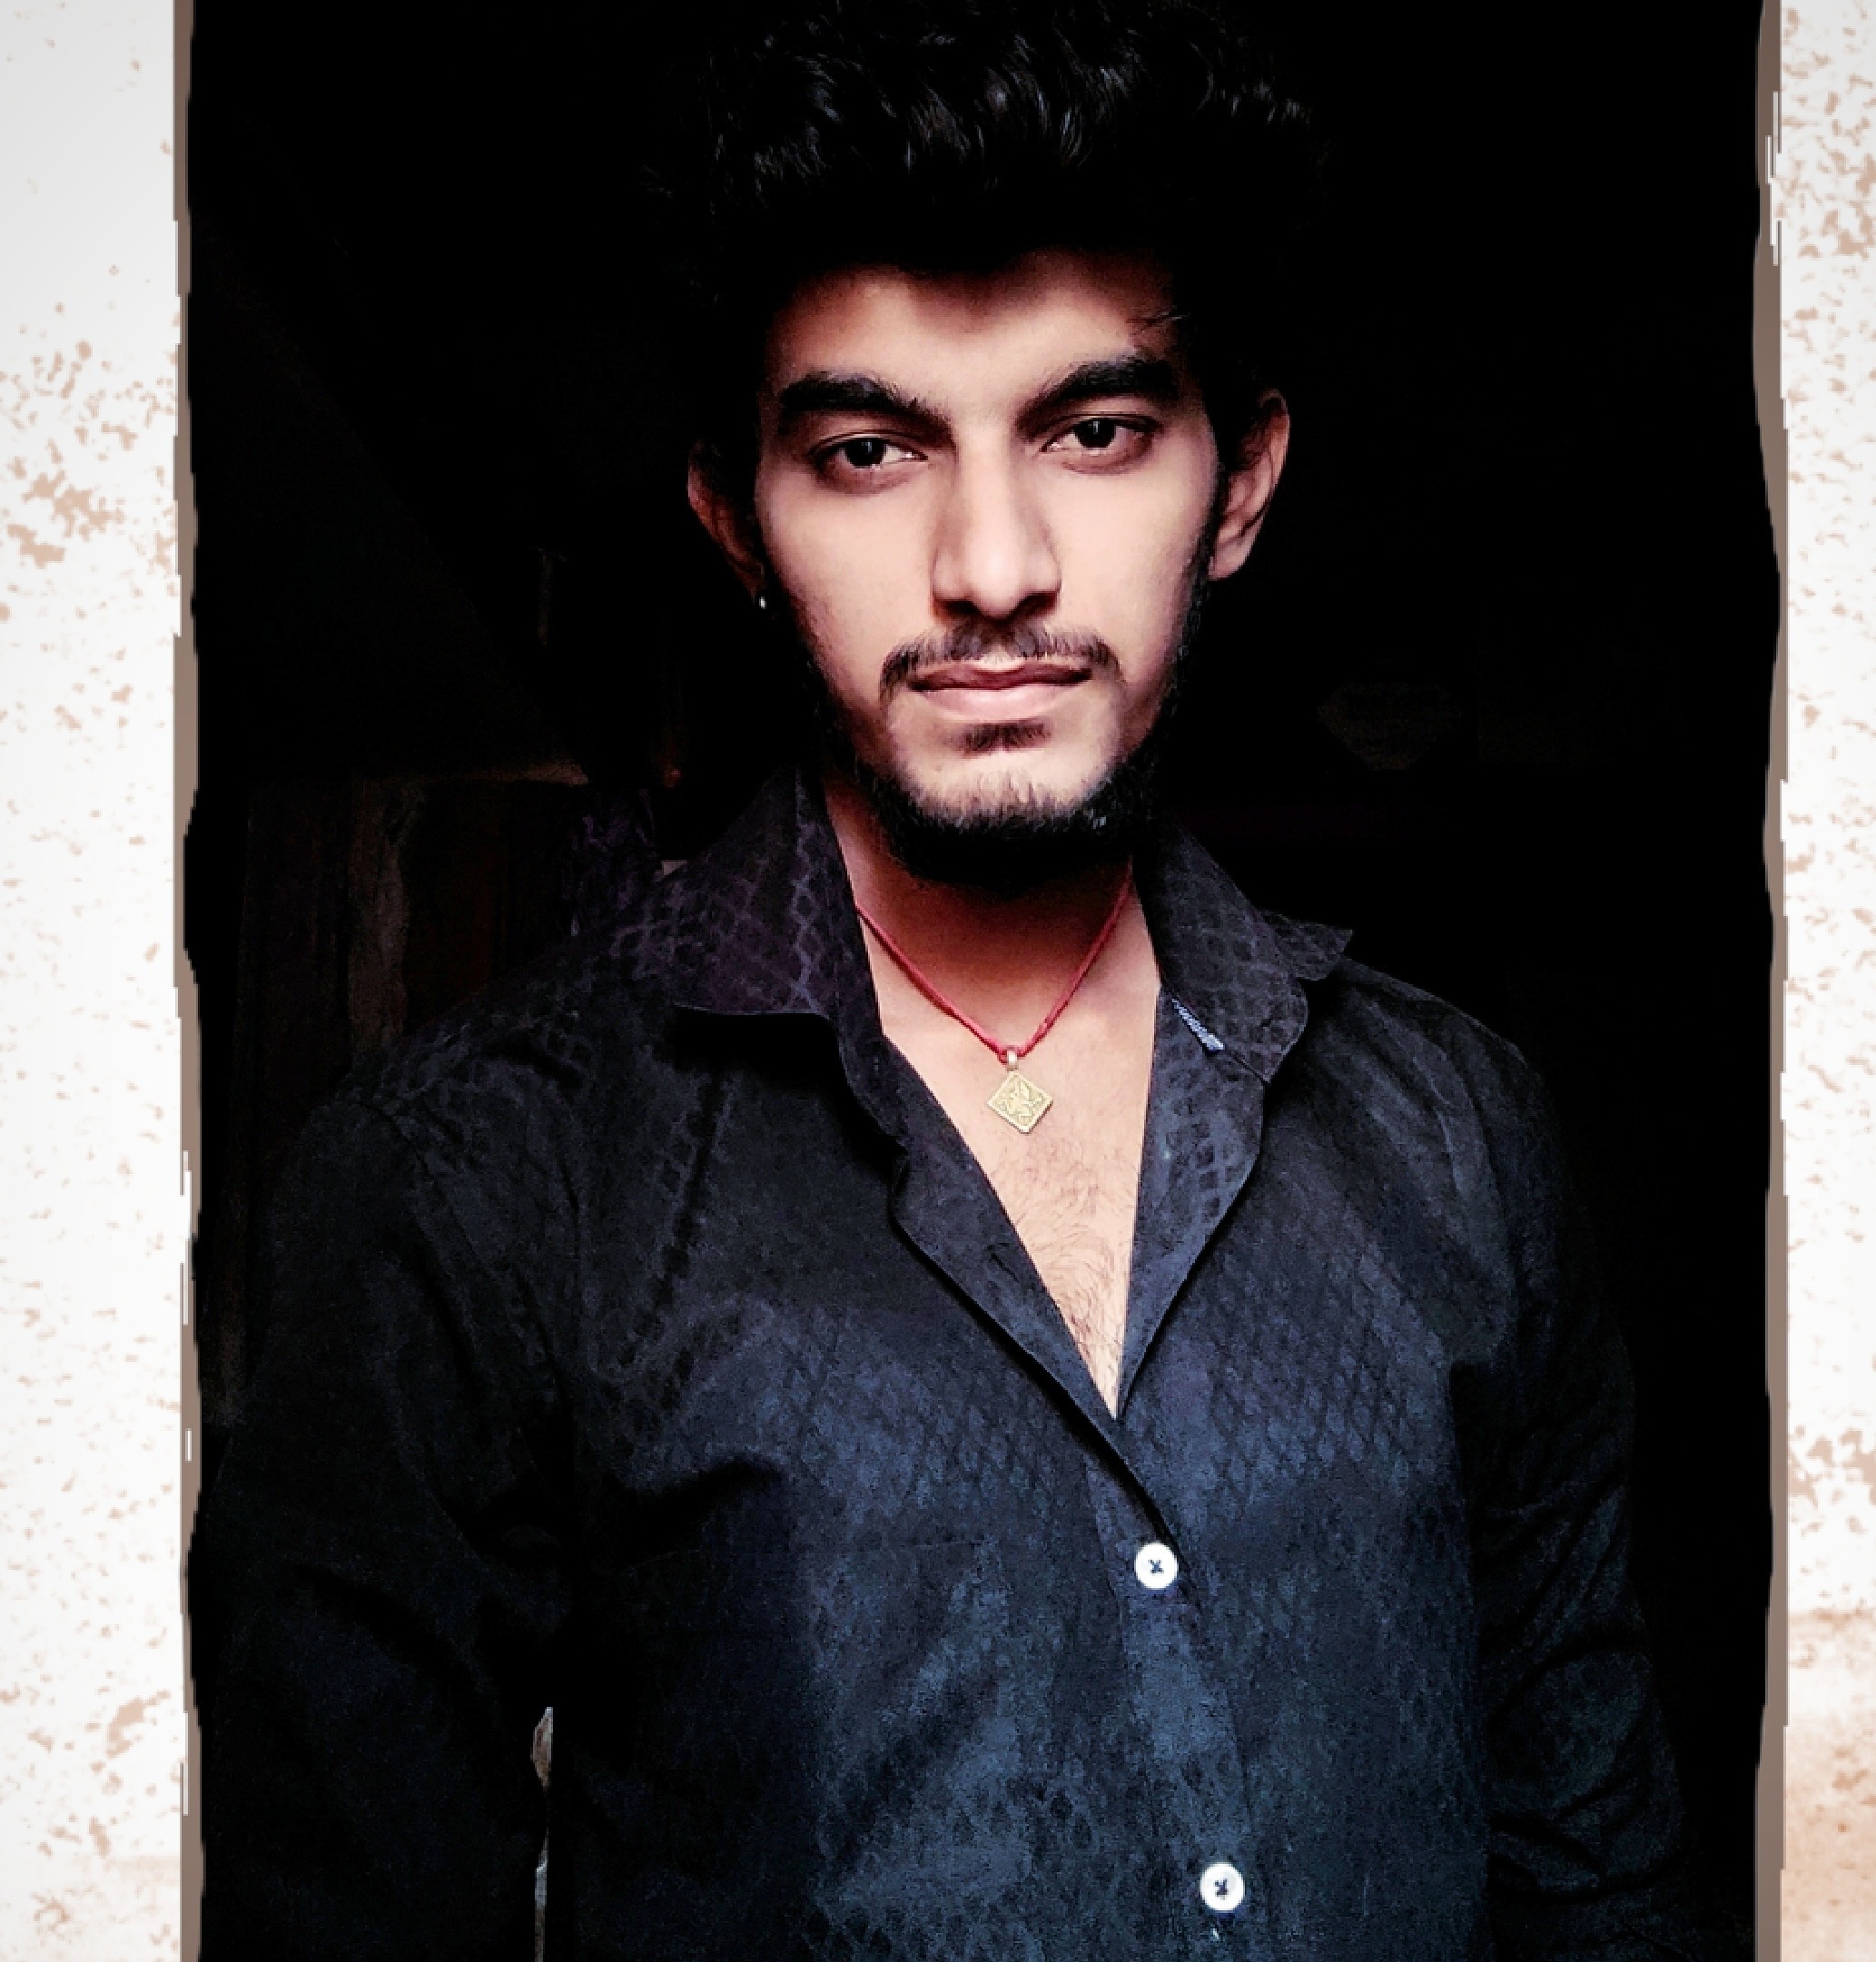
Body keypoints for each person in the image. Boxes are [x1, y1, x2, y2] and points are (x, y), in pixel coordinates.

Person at [193, 2, 1727, 1955]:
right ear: (736, 518)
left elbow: (1598, 1875)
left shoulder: (1457, 1131)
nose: (992, 566)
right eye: (868, 449)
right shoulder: (481, 1174)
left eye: (1095, 433)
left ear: (1243, 480)